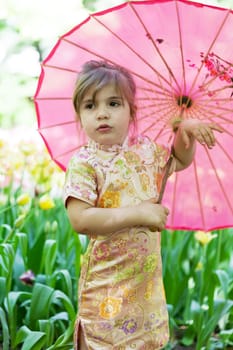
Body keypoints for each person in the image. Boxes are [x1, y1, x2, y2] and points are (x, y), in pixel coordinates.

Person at [63, 60, 222, 350]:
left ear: (131, 111)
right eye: (90, 106)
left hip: (144, 284)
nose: (102, 114)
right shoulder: (85, 162)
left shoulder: (146, 151)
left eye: (113, 103)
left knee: (143, 342)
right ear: (79, 115)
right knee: (103, 340)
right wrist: (140, 213)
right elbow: (80, 219)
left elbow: (179, 160)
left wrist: (185, 129)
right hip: (106, 282)